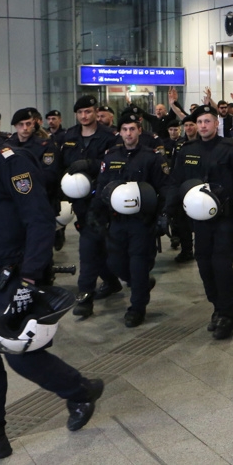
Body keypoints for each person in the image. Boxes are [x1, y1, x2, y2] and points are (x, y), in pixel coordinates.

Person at [0, 99, 103, 465]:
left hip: (16, 274)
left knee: (22, 357)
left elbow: (39, 221)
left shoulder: (12, 162)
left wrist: (30, 279)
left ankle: (81, 391)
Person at [168, 105, 233, 340]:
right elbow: (177, 182)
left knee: (221, 266)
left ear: (217, 124)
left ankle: (228, 315)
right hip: (199, 220)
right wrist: (169, 213)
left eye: (208, 121)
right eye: (200, 122)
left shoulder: (232, 149)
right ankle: (217, 307)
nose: (203, 126)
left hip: (225, 219)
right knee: (204, 265)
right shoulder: (187, 150)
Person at [92, 111, 172, 327]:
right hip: (116, 221)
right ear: (120, 132)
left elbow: (163, 188)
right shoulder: (111, 156)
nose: (128, 134)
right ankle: (143, 283)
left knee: (138, 264)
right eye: (125, 130)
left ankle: (137, 308)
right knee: (115, 263)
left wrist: (162, 216)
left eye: (132, 129)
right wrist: (95, 213)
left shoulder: (152, 157)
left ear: (139, 130)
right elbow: (101, 186)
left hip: (141, 222)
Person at [61, 95, 122, 319]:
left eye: (88, 111)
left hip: (104, 201)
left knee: (96, 248)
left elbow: (116, 165)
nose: (84, 116)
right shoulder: (69, 136)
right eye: (80, 113)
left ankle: (88, 292)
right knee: (94, 247)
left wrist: (91, 164)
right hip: (80, 203)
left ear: (96, 112)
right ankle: (107, 283)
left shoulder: (109, 137)